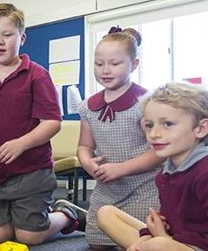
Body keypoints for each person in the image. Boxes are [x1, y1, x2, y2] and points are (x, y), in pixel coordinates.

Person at [0, 3, 85, 246]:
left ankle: (67, 216)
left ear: (22, 38)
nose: (0, 42)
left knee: (29, 236)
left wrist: (21, 144)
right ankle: (27, 218)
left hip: (32, 171)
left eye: (7, 35)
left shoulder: (37, 75)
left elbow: (52, 122)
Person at [97, 82, 208, 251]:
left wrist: (163, 239)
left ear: (200, 128)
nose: (154, 134)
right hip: (186, 242)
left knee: (157, 246)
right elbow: (174, 223)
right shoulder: (167, 173)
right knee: (106, 214)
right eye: (149, 125)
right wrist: (150, 234)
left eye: (167, 124)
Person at [77, 27, 163, 250]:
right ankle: (72, 216)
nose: (105, 70)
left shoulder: (146, 102)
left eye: (115, 64)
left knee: (140, 242)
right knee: (96, 243)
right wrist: (87, 162)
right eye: (98, 64)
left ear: (134, 65)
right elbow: (85, 146)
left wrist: (122, 168)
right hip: (107, 187)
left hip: (145, 187)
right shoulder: (88, 106)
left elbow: (159, 151)